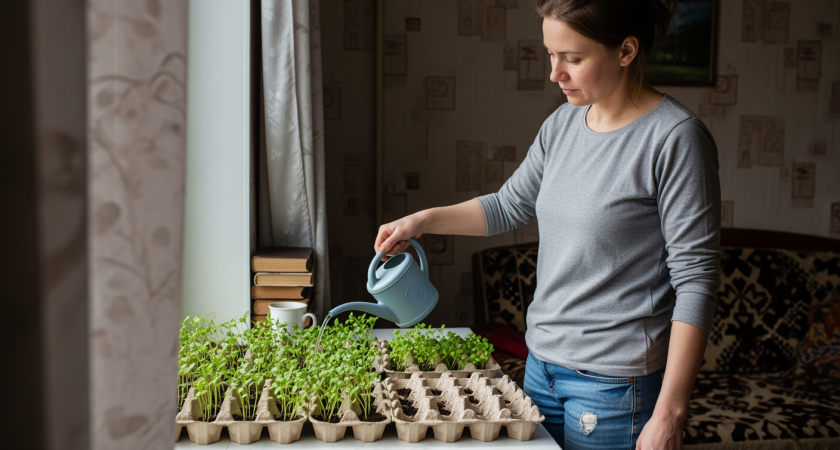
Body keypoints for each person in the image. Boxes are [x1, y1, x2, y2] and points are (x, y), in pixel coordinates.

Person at [373, 0, 720, 448]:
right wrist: (421, 221)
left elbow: (696, 280)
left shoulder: (676, 139)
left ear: (627, 51)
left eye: (572, 58)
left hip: (615, 386)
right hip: (541, 368)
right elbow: (508, 206)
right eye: (551, 55)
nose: (555, 73)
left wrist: (671, 411)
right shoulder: (562, 124)